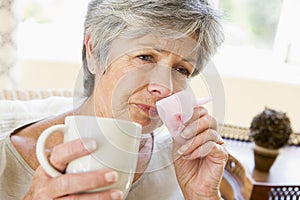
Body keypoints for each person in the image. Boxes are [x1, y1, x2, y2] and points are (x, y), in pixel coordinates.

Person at [0, 0, 228, 199]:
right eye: (145, 56)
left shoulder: (182, 161)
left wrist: (203, 197)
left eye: (181, 69)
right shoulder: (8, 159)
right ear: (94, 51)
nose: (164, 87)